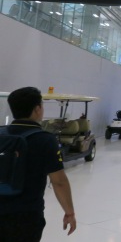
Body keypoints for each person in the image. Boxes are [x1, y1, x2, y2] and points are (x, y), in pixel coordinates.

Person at [0, 87, 76, 240]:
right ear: (37, 109)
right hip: (26, 215)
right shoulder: (45, 139)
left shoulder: (2, 134)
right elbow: (59, 182)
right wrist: (69, 212)